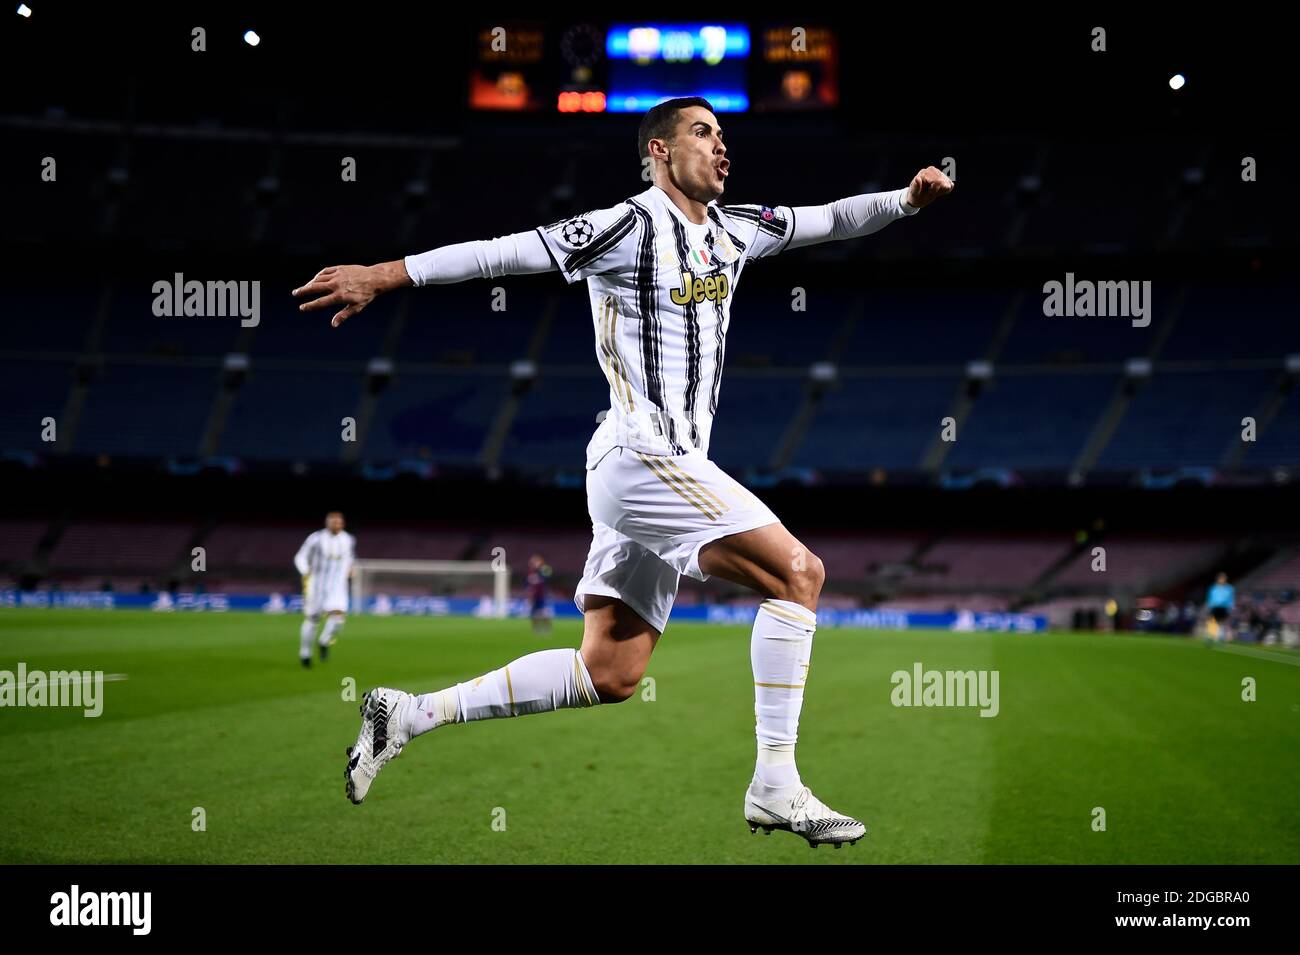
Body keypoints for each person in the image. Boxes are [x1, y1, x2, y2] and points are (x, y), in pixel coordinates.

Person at [293, 96, 952, 846]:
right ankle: (776, 783)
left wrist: (904, 200)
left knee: (610, 672)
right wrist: (382, 274)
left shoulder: (739, 230)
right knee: (800, 573)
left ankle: (408, 713)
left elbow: (831, 218)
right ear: (660, 153)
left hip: (662, 469)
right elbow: (503, 252)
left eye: (723, 134)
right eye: (703, 133)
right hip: (640, 453)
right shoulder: (627, 226)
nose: (720, 146)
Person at [293, 511, 356, 666]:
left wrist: (350, 568)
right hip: (317, 586)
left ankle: (324, 640)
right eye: (333, 522)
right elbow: (300, 557)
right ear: (327, 523)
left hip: (337, 586)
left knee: (338, 619)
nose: (336, 524)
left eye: (339, 522)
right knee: (313, 619)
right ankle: (305, 653)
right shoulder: (316, 538)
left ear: (342, 524)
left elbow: (349, 557)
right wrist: (305, 570)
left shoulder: (348, 539)